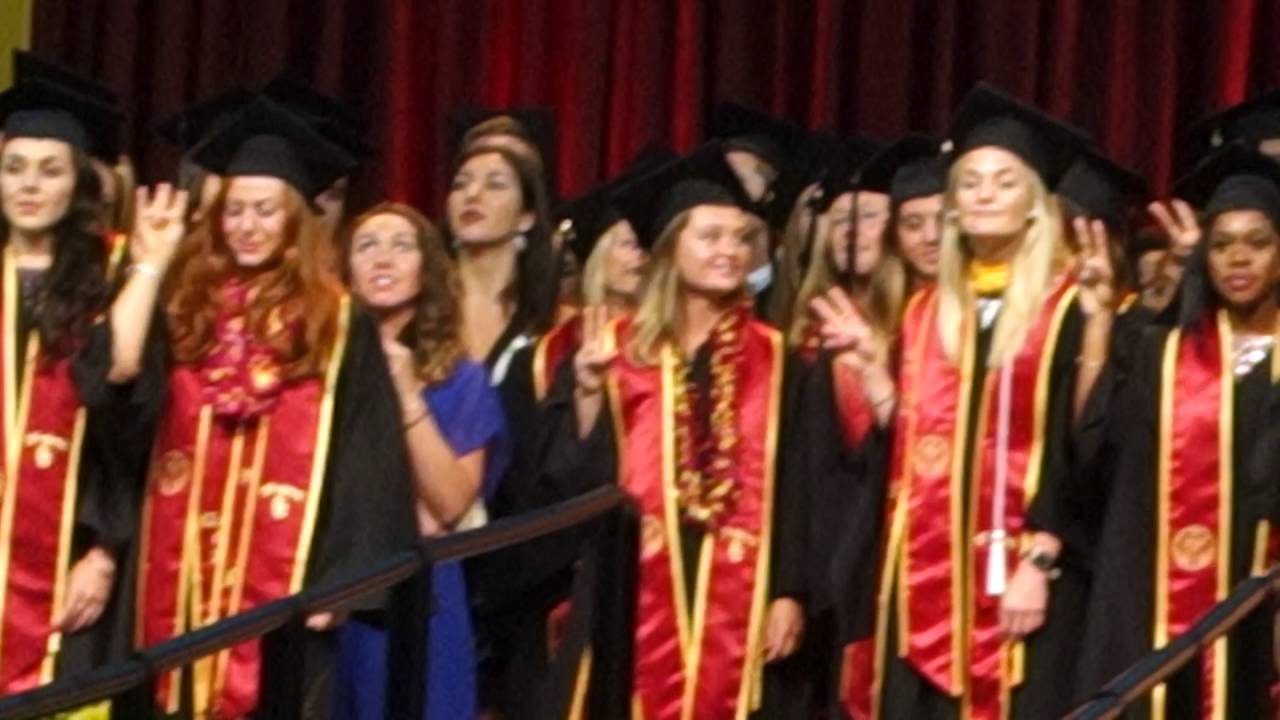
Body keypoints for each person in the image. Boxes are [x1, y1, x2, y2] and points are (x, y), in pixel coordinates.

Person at [128, 96, 418, 718]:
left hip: (290, 581)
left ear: (294, 219)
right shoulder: (184, 308)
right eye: (234, 210)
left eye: (266, 210)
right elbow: (133, 416)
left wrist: (346, 579)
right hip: (177, 570)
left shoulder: (337, 322)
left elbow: (368, 457)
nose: (248, 226)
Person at [828, 83, 1110, 720]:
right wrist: (878, 381)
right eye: (971, 182)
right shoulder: (928, 311)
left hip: (1028, 582)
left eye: (1004, 182)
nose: (983, 193)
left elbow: (1084, 447)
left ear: (1036, 206)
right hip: (925, 579)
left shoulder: (1064, 306)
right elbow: (925, 447)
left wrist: (1041, 558)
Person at [538, 147, 809, 718]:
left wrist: (790, 590)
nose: (729, 252)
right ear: (669, 249)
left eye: (739, 238)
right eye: (709, 237)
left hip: (745, 591)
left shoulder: (776, 356)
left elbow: (800, 482)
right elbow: (573, 486)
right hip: (627, 594)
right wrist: (587, 395)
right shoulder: (611, 350)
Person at [1072, 143, 1280, 719]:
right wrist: (1097, 324)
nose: (1238, 259)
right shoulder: (1159, 355)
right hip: (1153, 602)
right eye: (1222, 244)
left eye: (1258, 243)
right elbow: (1094, 452)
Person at [0, 76, 163, 695]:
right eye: (15, 168)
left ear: (77, 183)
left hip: (66, 558)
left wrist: (104, 552)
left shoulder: (110, 282)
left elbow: (129, 426)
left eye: (49, 170)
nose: (30, 186)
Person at [334, 202, 510, 720]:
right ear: (345, 270)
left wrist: (409, 397)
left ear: (426, 269)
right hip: (334, 585)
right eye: (366, 245)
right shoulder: (318, 371)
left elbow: (452, 503)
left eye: (401, 245)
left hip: (422, 592)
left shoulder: (460, 381)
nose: (383, 258)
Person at [857, 135, 948, 295]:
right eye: (913, 225)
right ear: (894, 234)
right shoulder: (871, 307)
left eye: (943, 220)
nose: (931, 236)